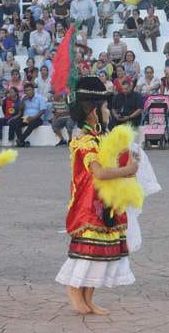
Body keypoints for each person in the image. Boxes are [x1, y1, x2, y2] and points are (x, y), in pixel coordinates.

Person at [56, 75, 140, 315]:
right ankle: (74, 289)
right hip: (88, 206)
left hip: (104, 203)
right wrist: (127, 170)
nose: (108, 111)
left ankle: (89, 297)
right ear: (92, 111)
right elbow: (99, 172)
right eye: (104, 107)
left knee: (104, 252)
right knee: (88, 252)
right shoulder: (84, 141)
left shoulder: (100, 138)